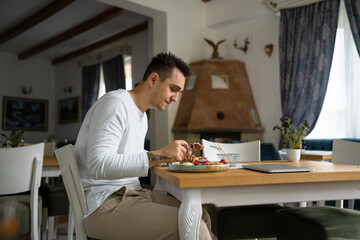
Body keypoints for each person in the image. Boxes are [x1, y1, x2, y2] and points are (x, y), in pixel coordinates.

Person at [74, 52, 212, 240]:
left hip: (134, 194)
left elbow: (127, 156)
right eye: (173, 89)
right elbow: (99, 165)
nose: (175, 98)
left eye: (178, 92)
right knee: (194, 225)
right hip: (106, 203)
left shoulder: (141, 116)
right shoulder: (115, 104)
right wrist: (161, 155)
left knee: (201, 215)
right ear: (154, 79)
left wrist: (169, 156)